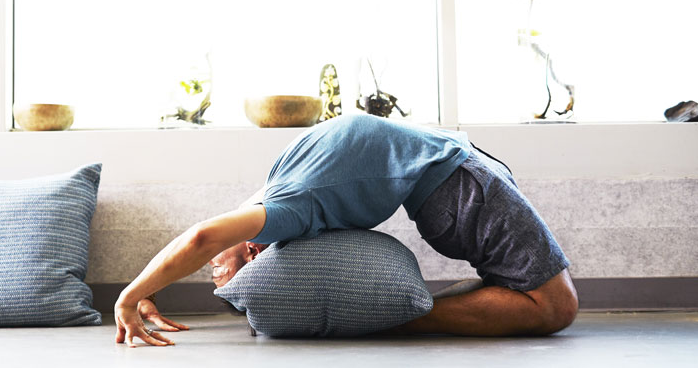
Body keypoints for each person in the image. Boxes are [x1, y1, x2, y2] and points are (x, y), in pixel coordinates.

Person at [115, 115, 578, 347]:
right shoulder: (281, 192)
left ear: (253, 251)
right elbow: (205, 240)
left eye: (216, 270)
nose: (212, 270)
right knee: (554, 305)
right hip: (456, 181)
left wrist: (131, 295)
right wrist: (148, 288)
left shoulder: (283, 204)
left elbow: (201, 238)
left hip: (459, 180)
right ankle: (402, 318)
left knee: (548, 303)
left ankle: (404, 319)